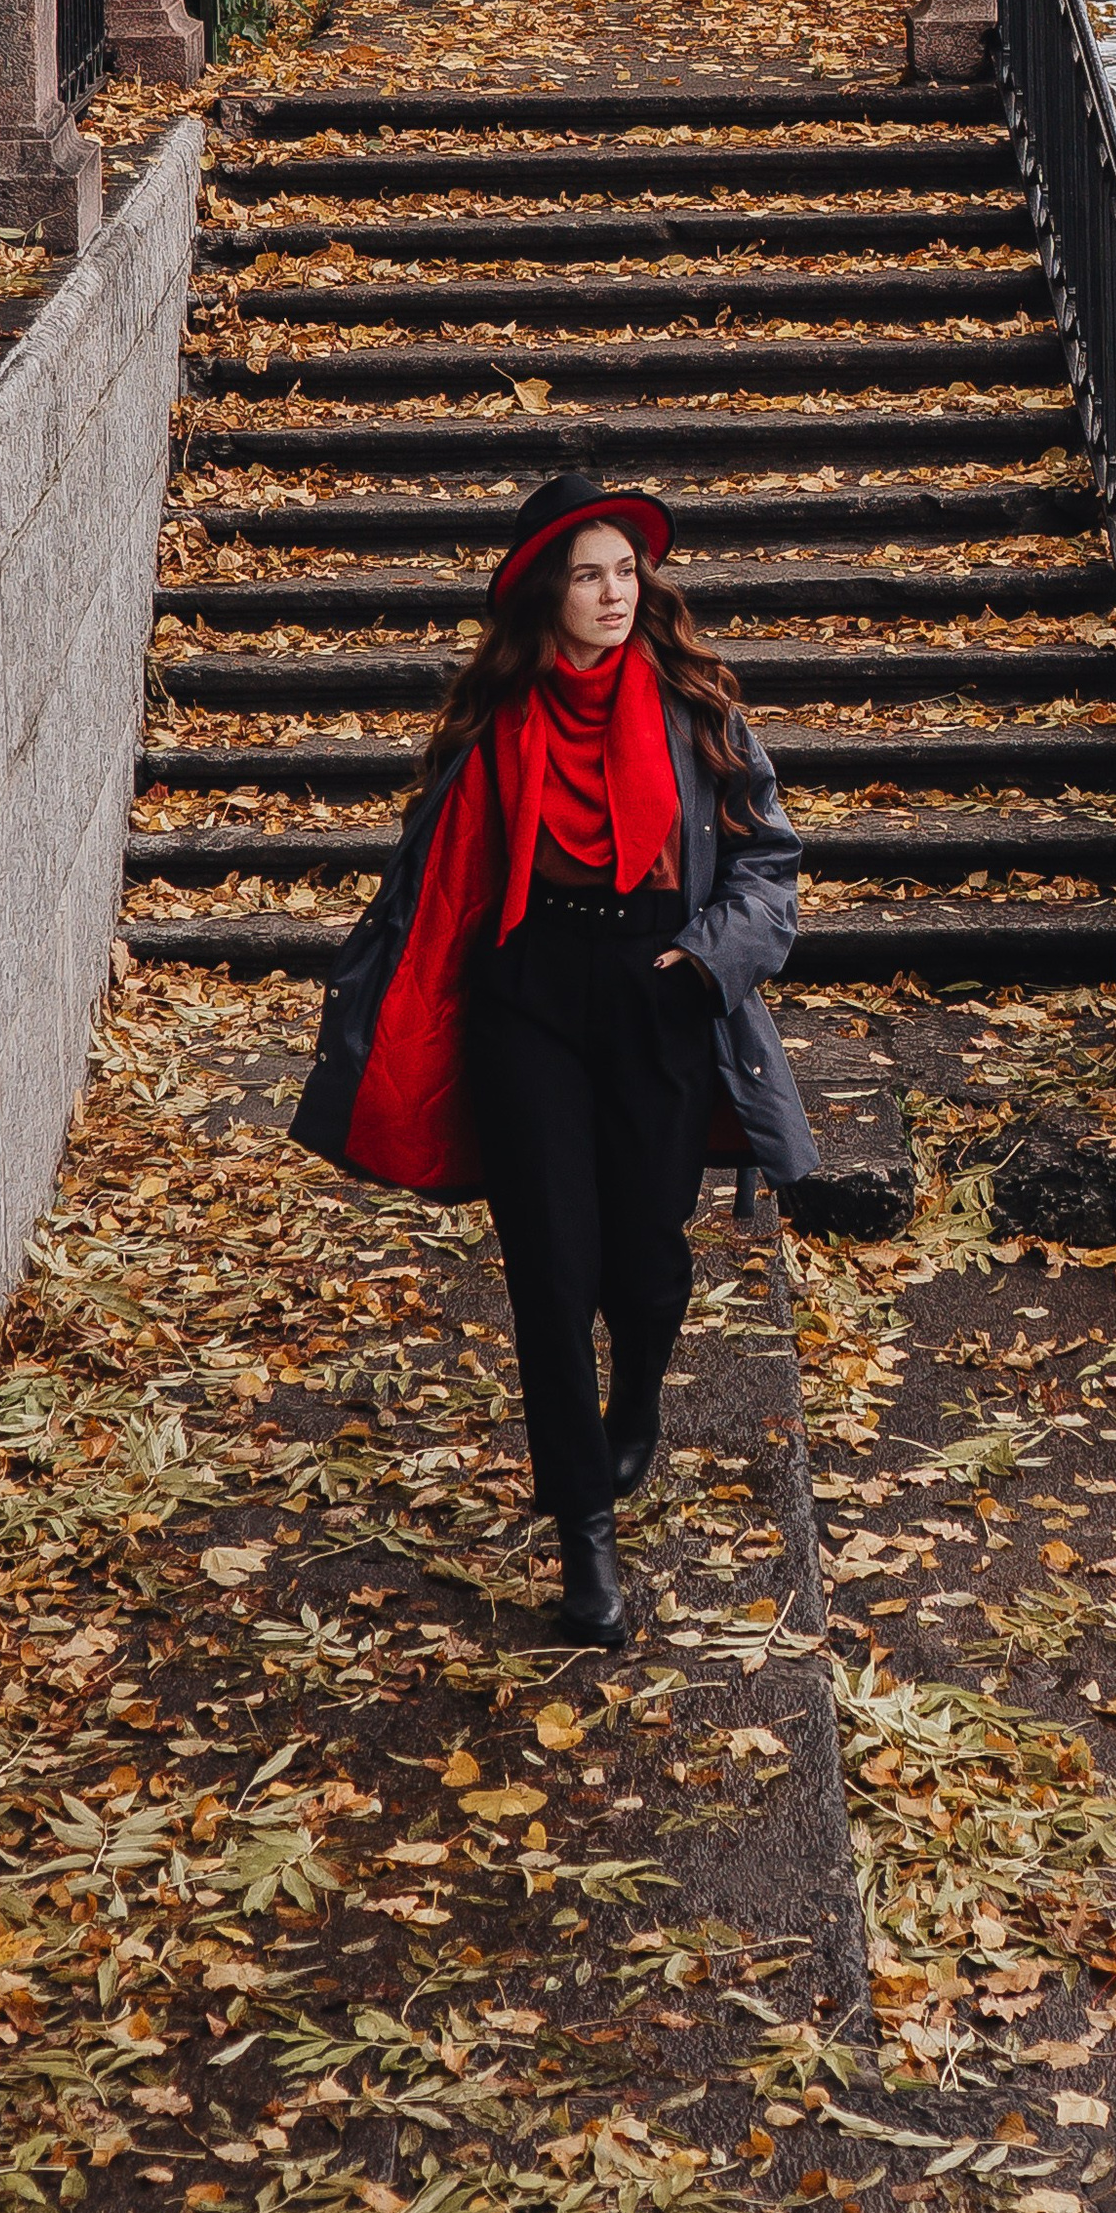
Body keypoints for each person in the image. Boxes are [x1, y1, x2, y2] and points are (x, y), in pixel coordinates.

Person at [291, 465, 818, 1645]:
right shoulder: (494, 720)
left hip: (656, 988)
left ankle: (637, 1395)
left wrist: (702, 963)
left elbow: (767, 865)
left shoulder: (696, 708)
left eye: (627, 571)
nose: (615, 593)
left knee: (646, 1261)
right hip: (526, 998)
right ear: (546, 593)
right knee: (550, 1271)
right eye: (589, 575)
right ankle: (585, 1533)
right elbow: (432, 883)